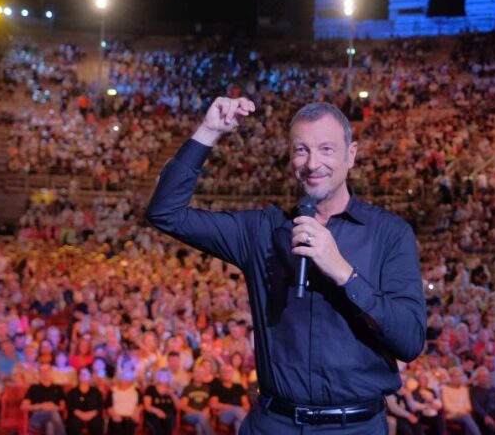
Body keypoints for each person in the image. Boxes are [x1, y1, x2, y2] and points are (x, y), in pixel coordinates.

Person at [147, 98, 426, 434]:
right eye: (301, 150)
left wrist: (343, 272)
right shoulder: (262, 231)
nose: (312, 163)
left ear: (351, 155)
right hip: (273, 423)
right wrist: (208, 131)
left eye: (326, 149)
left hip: (355, 427)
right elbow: (165, 213)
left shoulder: (390, 234)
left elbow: (410, 342)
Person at [21, 362, 67, 435]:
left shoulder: (58, 388)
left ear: (51, 371)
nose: (45, 373)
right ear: (39, 373)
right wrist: (41, 406)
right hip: (37, 418)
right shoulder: (34, 388)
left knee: (50, 425)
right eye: (42, 371)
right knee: (52, 412)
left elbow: (62, 407)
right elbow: (23, 406)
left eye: (47, 370)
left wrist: (53, 407)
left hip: (53, 419)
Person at [209, 363, 250, 433]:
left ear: (232, 373)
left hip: (239, 413)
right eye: (224, 371)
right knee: (238, 411)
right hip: (224, 414)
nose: (227, 373)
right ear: (221, 373)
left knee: (238, 422)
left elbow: (247, 405)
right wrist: (233, 408)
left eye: (229, 371)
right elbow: (213, 404)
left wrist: (239, 408)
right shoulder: (216, 387)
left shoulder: (239, 387)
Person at [66, 368, 105, 435]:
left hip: (93, 415)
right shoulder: (73, 392)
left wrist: (92, 413)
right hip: (77, 415)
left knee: (97, 424)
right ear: (79, 377)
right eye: (82, 374)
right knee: (73, 424)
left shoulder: (96, 391)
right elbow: (70, 405)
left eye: (86, 374)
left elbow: (100, 405)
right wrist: (79, 413)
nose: (84, 376)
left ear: (90, 376)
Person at [180, 366, 215, 435]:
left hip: (203, 416)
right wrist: (198, 413)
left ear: (204, 375)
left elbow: (209, 404)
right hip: (189, 415)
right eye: (196, 372)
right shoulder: (187, 388)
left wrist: (207, 409)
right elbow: (183, 406)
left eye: (201, 373)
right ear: (193, 374)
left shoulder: (207, 388)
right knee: (200, 417)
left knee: (199, 424)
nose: (198, 375)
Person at [143, 368, 178, 435]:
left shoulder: (172, 390)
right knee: (157, 428)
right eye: (162, 375)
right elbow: (147, 406)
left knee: (168, 421)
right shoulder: (151, 389)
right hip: (153, 415)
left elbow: (178, 407)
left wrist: (173, 395)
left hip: (168, 416)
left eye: (166, 376)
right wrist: (157, 411)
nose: (164, 378)